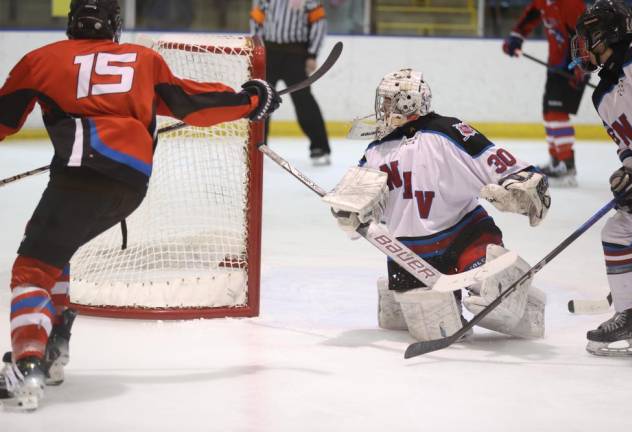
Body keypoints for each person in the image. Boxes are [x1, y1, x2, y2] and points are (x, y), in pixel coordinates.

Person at [0, 0, 281, 410]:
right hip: (129, 187)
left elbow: (3, 119)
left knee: (32, 269)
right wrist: (250, 100)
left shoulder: (40, 60)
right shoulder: (142, 59)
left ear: (71, 23)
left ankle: (26, 366)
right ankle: (52, 351)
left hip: (80, 180)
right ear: (115, 26)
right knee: (54, 254)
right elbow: (190, 104)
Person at [324, 68, 550, 344]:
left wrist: (520, 186)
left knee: (496, 293)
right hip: (410, 254)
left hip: (465, 237)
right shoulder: (376, 149)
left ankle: (523, 303)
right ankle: (409, 300)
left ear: (407, 102)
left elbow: (496, 161)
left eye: (387, 101)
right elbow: (358, 200)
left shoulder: (447, 131)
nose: (381, 108)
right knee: (434, 325)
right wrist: (349, 211)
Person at [571, 0, 632, 357]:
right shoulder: (602, 96)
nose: (583, 47)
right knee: (617, 230)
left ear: (608, 34)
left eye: (588, 38)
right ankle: (629, 314)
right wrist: (629, 175)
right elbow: (629, 147)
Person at [502, 0, 588, 187]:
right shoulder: (543, 1)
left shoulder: (572, 4)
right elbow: (531, 15)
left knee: (557, 114)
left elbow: (584, 35)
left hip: (572, 68)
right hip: (555, 66)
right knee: (549, 114)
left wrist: (580, 67)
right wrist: (516, 37)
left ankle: (567, 164)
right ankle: (557, 162)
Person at [250, 0, 332, 166]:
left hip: (295, 54)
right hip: (269, 53)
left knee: (304, 100)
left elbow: (319, 24)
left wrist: (312, 54)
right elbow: (256, 20)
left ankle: (320, 147)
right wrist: (255, 49)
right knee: (261, 99)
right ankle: (257, 144)